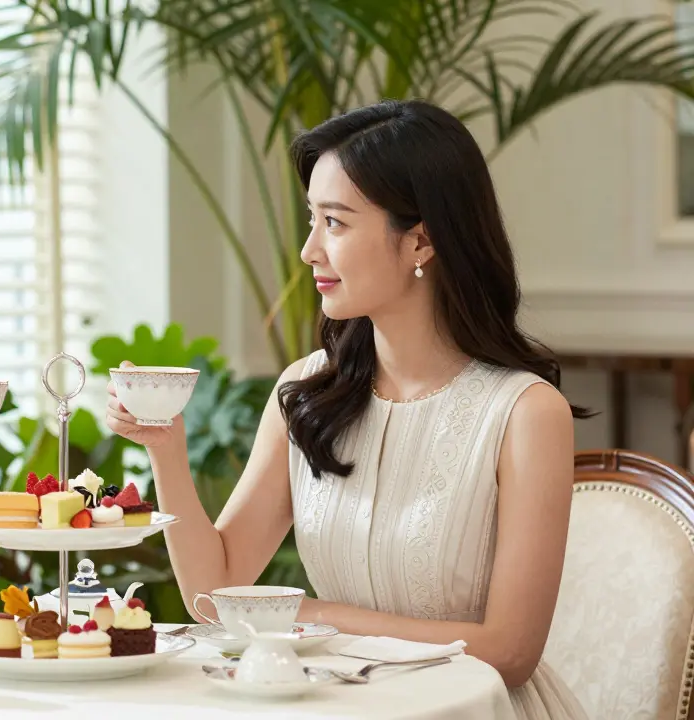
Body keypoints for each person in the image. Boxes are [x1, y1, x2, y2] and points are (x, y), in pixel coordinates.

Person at [107, 100, 588, 719]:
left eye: (334, 222)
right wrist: (165, 450)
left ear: (421, 239)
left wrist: (318, 617)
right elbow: (211, 593)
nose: (309, 250)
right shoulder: (306, 390)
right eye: (313, 220)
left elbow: (510, 652)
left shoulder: (524, 413)